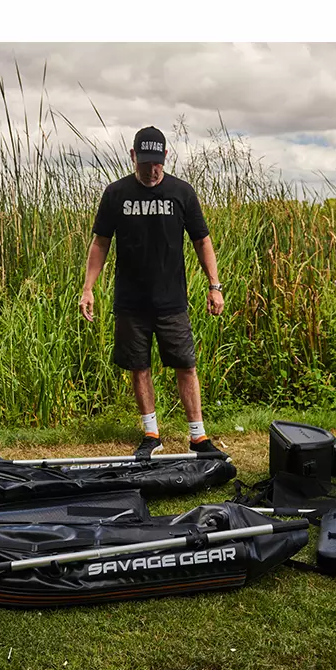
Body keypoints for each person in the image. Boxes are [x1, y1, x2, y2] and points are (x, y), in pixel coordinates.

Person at [78, 125, 226, 460]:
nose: (152, 169)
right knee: (139, 366)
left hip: (171, 301)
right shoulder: (116, 194)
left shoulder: (182, 192)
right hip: (131, 301)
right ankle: (151, 434)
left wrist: (214, 285)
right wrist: (88, 288)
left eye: (157, 162)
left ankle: (198, 436)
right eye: (145, 163)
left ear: (165, 157)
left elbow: (202, 240)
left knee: (186, 365)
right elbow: (100, 242)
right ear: (133, 156)